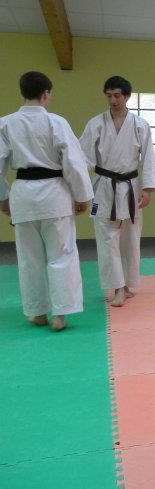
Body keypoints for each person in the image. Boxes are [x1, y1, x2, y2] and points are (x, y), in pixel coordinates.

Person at [0, 72, 93, 331]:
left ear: (22, 92)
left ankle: (37, 312)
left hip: (23, 196)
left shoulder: (5, 124)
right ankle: (59, 315)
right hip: (54, 195)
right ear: (46, 94)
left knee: (29, 258)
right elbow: (73, 163)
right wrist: (82, 196)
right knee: (61, 254)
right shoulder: (56, 122)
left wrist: (2, 197)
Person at [79, 76, 155, 307]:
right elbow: (82, 157)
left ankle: (126, 285)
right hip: (104, 186)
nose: (113, 100)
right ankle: (116, 288)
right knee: (107, 239)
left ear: (127, 96)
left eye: (117, 95)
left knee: (130, 239)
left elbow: (148, 158)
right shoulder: (96, 124)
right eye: (109, 96)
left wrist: (147, 189)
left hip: (131, 186)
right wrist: (79, 189)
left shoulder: (140, 125)